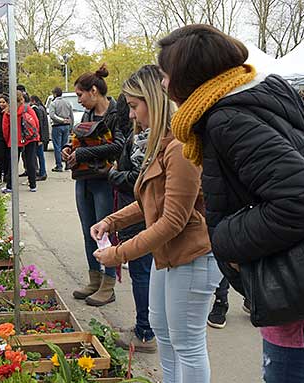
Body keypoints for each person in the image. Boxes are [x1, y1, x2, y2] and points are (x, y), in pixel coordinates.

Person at [159, 24, 304, 383]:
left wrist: (225, 240)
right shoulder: (255, 100)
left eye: (165, 76)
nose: (162, 85)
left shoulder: (229, 119)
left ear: (186, 77)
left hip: (293, 299)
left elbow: (299, 198)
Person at [92, 65, 221, 383]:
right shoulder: (160, 143)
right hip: (170, 256)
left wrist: (118, 254)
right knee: (164, 336)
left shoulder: (179, 147)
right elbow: (152, 201)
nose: (132, 115)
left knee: (187, 346)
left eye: (135, 106)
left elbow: (173, 220)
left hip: (192, 256)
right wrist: (112, 220)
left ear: (154, 100)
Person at [63, 64, 125, 307]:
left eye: (80, 95)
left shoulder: (117, 113)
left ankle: (108, 284)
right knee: (88, 229)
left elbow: (119, 146)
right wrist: (72, 150)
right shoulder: (88, 115)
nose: (79, 100)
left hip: (105, 181)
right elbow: (80, 140)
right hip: (84, 179)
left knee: (105, 232)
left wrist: (83, 154)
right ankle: (94, 279)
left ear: (94, 91)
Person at [104, 93, 155, 353]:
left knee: (143, 273)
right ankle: (143, 325)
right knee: (142, 273)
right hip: (136, 214)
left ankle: (146, 331)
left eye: (134, 107)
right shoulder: (141, 137)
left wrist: (113, 174)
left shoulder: (159, 143)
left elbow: (144, 189)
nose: (132, 115)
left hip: (145, 223)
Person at [2, 90, 40, 193]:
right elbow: (36, 122)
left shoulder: (8, 111)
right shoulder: (27, 108)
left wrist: (7, 139)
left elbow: (5, 128)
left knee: (13, 163)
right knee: (30, 161)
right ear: (22, 98)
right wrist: (36, 136)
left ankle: (10, 186)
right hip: (29, 138)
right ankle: (33, 185)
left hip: (14, 139)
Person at [48, 87, 74, 172]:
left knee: (57, 146)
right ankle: (67, 164)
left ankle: (59, 166)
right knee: (65, 146)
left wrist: (61, 120)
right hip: (66, 126)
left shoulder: (53, 103)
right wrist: (71, 126)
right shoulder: (67, 103)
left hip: (57, 126)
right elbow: (71, 115)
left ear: (55, 94)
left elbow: (52, 115)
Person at [31, 95, 49, 181]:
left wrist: (40, 138)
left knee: (40, 155)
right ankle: (42, 172)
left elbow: (39, 125)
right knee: (40, 155)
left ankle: (42, 172)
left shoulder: (36, 109)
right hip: (42, 136)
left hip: (39, 137)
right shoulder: (42, 108)